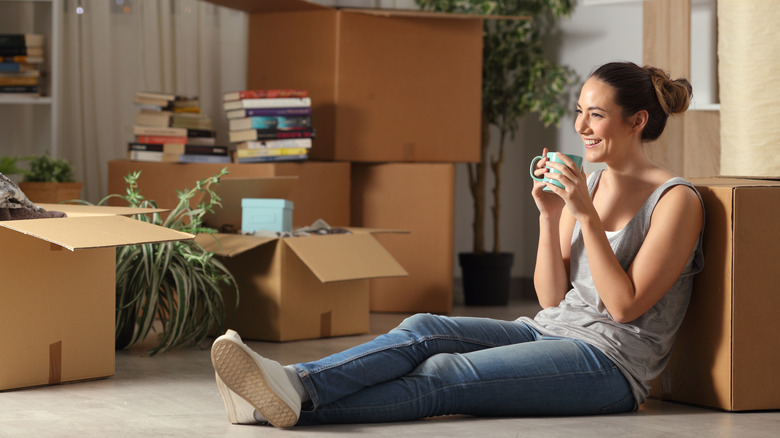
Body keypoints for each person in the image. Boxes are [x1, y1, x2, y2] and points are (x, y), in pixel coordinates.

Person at [209, 61, 705, 428]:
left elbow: (622, 307)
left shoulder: (675, 201)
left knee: (445, 374)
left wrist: (583, 216)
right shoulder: (592, 186)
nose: (580, 127)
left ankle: (269, 404)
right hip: (550, 330)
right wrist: (548, 215)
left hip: (611, 366)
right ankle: (291, 385)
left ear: (637, 121)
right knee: (425, 329)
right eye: (579, 112)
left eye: (596, 115)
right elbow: (551, 299)